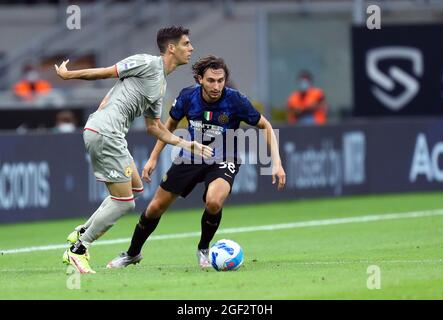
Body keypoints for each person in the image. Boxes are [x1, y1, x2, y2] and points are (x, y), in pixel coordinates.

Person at [56, 26, 213, 274]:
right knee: (124, 202)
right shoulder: (147, 62)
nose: (191, 48)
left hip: (113, 135)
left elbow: (154, 127)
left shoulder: (160, 84)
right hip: (104, 131)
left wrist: (186, 143)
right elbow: (107, 72)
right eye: (186, 43)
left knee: (136, 188)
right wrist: (69, 75)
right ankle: (78, 250)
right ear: (171, 48)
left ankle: (84, 231)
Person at [106, 55, 286, 269]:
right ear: (200, 79)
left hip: (224, 158)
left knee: (213, 202)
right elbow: (168, 126)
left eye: (221, 81)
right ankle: (132, 254)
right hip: (191, 156)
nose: (217, 86)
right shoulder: (188, 96)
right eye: (211, 80)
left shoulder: (235, 100)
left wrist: (276, 162)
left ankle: (203, 248)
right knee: (155, 208)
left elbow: (265, 125)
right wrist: (153, 158)